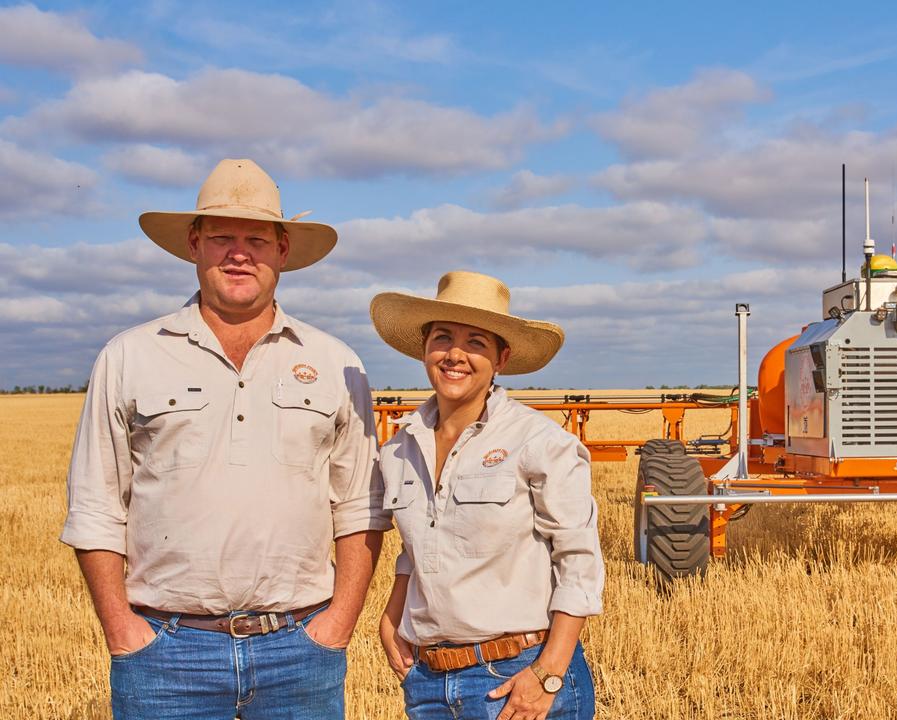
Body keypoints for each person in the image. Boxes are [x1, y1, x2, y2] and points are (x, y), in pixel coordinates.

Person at [60, 159, 390, 720]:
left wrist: (335, 627)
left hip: (299, 649)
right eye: (222, 238)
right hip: (165, 654)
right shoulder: (130, 355)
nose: (240, 253)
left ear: (283, 251)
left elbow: (360, 505)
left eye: (256, 239)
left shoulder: (336, 363)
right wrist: (122, 631)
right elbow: (95, 504)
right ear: (194, 245)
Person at [371, 271, 604, 720]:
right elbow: (415, 546)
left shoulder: (538, 440)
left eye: (476, 342)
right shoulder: (398, 449)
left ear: (501, 357)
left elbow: (579, 559)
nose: (456, 354)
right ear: (424, 348)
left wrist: (549, 673)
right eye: (443, 338)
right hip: (428, 684)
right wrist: (392, 613)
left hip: (519, 677)